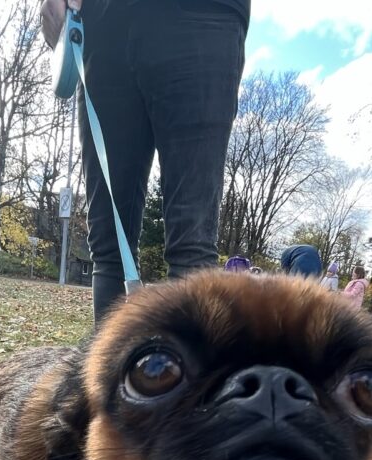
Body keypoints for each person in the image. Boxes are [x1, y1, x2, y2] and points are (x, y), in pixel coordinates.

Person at [42, 0, 249, 325]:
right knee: (109, 245)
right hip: (103, 26)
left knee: (192, 246)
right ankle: (111, 358)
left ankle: (181, 358)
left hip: (205, 16)